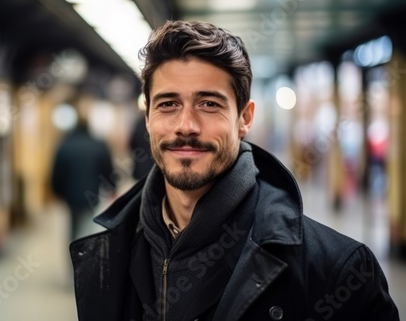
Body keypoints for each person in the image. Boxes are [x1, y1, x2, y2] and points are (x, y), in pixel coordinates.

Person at [70, 20, 399, 320]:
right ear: (148, 119)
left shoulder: (338, 272)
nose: (186, 125)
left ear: (245, 118)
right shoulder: (106, 256)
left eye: (209, 104)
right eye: (168, 104)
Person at [51, 93, 115, 241]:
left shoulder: (65, 144)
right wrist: (112, 187)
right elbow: (107, 167)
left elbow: (57, 171)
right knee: (87, 226)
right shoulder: (98, 144)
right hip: (91, 193)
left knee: (73, 225)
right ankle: (84, 255)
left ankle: (74, 255)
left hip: (71, 196)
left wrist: (57, 191)